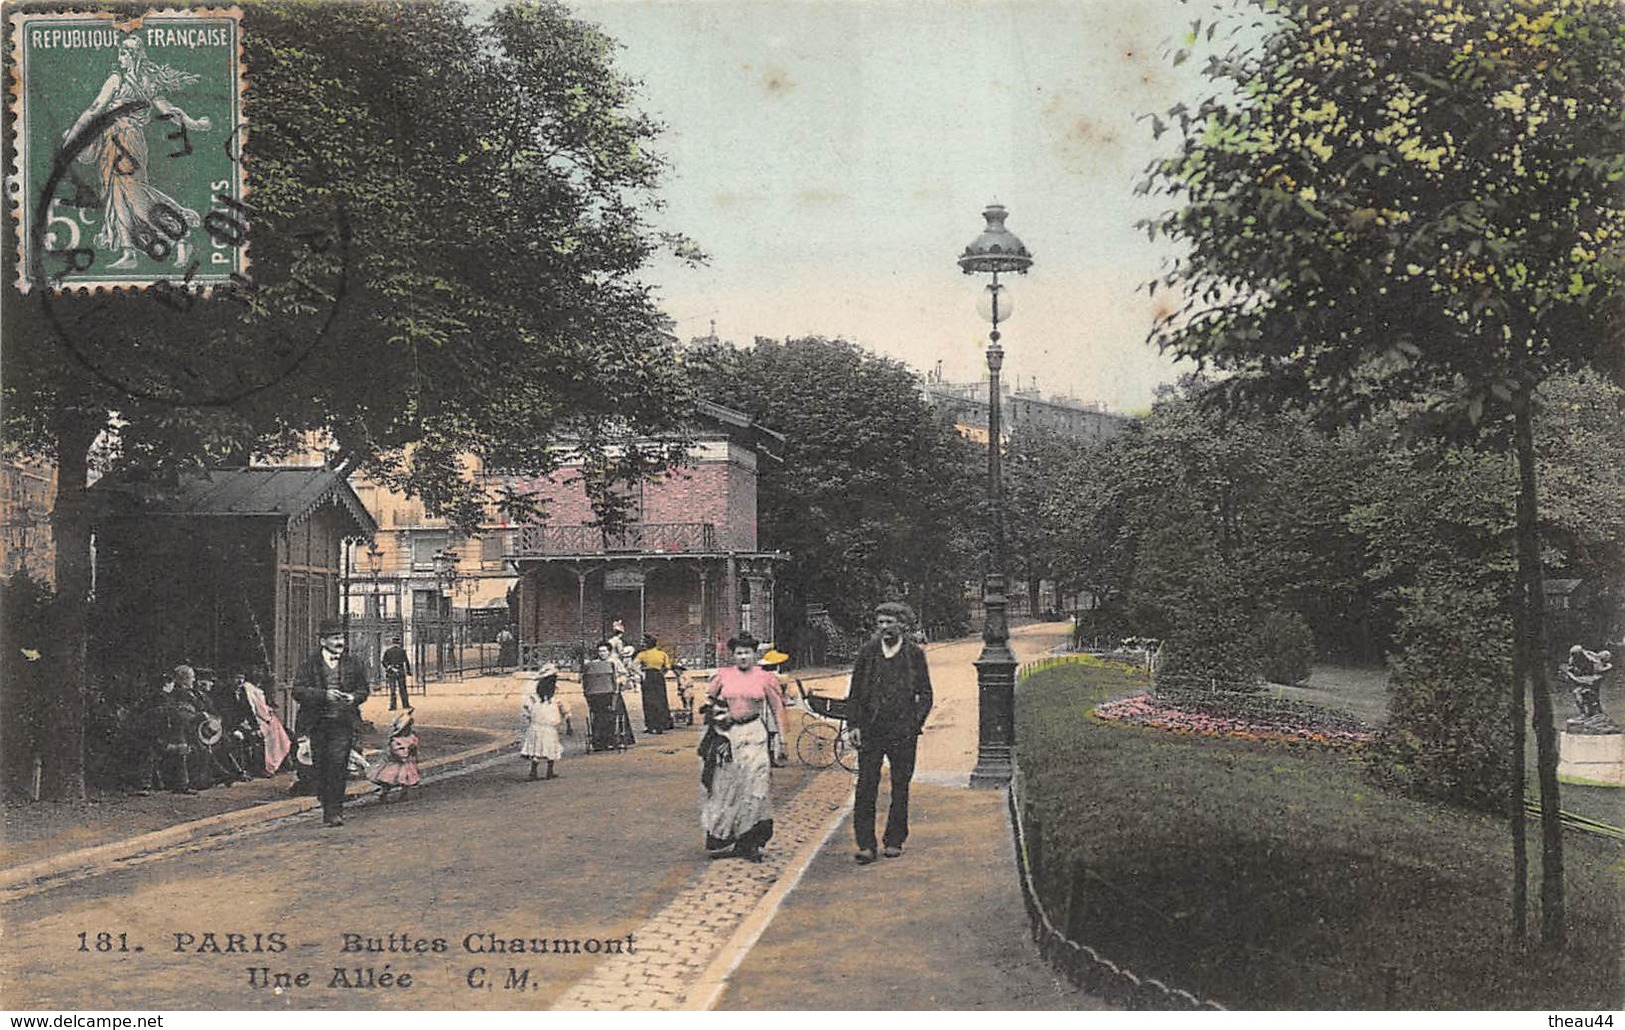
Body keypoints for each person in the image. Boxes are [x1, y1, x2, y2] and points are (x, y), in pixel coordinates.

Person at [62, 35, 211, 270]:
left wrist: (193, 124)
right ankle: (129, 252)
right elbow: (97, 109)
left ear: (133, 56)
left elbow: (167, 110)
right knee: (116, 194)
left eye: (123, 54)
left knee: (134, 194)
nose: (119, 58)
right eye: (120, 53)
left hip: (128, 141)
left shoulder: (128, 79)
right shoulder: (130, 79)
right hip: (112, 141)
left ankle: (181, 236)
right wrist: (194, 124)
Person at [846, 601, 934, 864]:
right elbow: (855, 693)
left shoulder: (914, 654)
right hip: (871, 731)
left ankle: (894, 840)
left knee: (900, 786)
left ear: (902, 625)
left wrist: (914, 723)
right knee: (865, 787)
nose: (884, 627)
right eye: (880, 622)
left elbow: (926, 694)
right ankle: (866, 845)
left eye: (889, 622)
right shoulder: (868, 653)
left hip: (902, 733)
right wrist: (854, 725)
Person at [700, 633, 787, 862]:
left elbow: (778, 709)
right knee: (728, 788)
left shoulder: (765, 678)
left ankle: (750, 842)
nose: (743, 657)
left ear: (754, 654)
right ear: (733, 655)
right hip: (728, 737)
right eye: (738, 652)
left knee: (755, 787)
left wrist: (781, 740)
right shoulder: (722, 676)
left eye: (747, 652)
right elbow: (708, 704)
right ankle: (727, 836)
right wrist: (718, 721)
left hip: (755, 734)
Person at [291, 618, 371, 827]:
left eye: (341, 637)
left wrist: (353, 698)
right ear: (323, 641)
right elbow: (297, 691)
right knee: (321, 767)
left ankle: (333, 812)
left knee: (337, 765)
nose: (340, 642)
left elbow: (364, 690)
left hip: (342, 724)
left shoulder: (354, 663)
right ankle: (327, 800)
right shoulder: (309, 665)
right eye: (335, 638)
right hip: (317, 724)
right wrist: (324, 695)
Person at [519, 664, 567, 780]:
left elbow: (527, 707)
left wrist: (528, 717)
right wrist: (566, 716)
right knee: (551, 746)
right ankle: (549, 771)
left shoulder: (534, 691)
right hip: (550, 725)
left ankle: (533, 772)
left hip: (536, 724)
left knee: (535, 747)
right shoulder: (556, 692)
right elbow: (564, 706)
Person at [240, 667, 291, 777]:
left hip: (261, 717)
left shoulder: (255, 688)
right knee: (271, 732)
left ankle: (277, 763)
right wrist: (267, 717)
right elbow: (256, 709)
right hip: (256, 718)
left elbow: (262, 707)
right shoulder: (248, 688)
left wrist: (268, 713)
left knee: (280, 732)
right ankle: (269, 766)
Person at [370, 709, 420, 803]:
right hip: (396, 764)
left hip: (407, 763)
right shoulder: (396, 740)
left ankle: (403, 795)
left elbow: (415, 748)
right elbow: (396, 751)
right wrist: (406, 752)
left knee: (406, 779)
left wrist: (414, 751)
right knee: (388, 780)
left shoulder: (412, 738)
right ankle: (383, 794)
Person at [581, 642, 622, 752]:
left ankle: (603, 740)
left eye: (604, 651)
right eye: (600, 651)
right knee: (602, 716)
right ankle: (603, 740)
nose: (602, 653)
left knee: (602, 716)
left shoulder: (610, 663)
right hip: (602, 693)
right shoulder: (594, 664)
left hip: (601, 693)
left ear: (609, 652)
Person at [635, 634, 676, 734]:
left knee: (648, 701)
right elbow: (667, 667)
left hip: (647, 677)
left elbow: (633, 665)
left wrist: (641, 674)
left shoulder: (642, 655)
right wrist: (662, 673)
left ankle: (650, 725)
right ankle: (660, 725)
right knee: (660, 700)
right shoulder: (662, 654)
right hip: (658, 677)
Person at [758, 647, 792, 767]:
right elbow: (781, 693)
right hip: (770, 708)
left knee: (768, 734)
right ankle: (771, 758)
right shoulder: (775, 678)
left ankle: (768, 756)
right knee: (771, 734)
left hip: (762, 707)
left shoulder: (761, 676)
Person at [381, 637, 412, 711]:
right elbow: (406, 662)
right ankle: (405, 705)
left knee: (392, 689)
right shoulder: (402, 651)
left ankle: (393, 706)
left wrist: (388, 667)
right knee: (403, 689)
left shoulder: (388, 651)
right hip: (400, 671)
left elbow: (383, 661)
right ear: (398, 643)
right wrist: (408, 671)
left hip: (391, 671)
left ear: (392, 643)